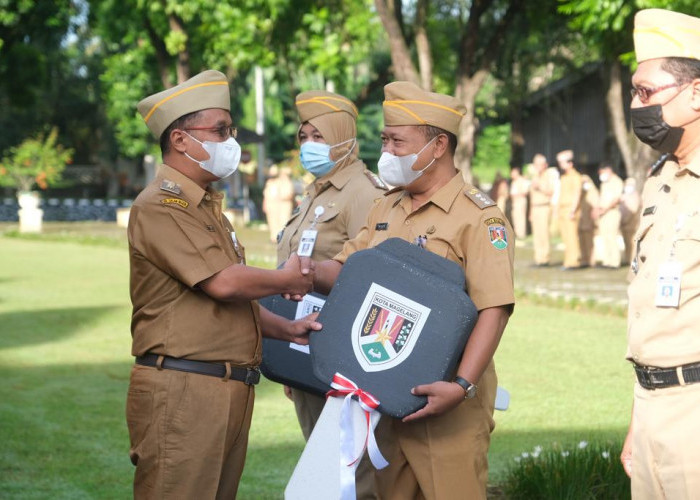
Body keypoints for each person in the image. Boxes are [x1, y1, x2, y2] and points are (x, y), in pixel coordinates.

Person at [300, 81, 515, 499]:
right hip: (381, 395)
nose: (387, 152)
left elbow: (495, 308)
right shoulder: (386, 206)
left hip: (447, 404)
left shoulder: (480, 218)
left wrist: (462, 386)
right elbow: (344, 269)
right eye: (384, 140)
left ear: (437, 147)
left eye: (397, 141)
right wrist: (303, 273)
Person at [126, 70, 321, 499]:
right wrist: (286, 278)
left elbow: (231, 302)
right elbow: (223, 284)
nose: (230, 141)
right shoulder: (162, 206)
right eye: (220, 130)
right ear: (180, 140)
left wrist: (287, 329)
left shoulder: (207, 207)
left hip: (226, 388)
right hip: (185, 390)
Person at [277, 89, 387, 499]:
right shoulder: (316, 191)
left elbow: (369, 277)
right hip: (305, 344)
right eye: (304, 136)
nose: (308, 145)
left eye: (319, 136)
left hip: (341, 353)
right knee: (323, 464)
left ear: (344, 138)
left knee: (351, 470)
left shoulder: (362, 191)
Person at [620, 9, 700, 498]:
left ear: (696, 93)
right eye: (634, 91)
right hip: (650, 401)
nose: (636, 105)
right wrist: (638, 418)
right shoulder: (660, 179)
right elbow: (652, 313)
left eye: (646, 92)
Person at [556, 149, 583, 269]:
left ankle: (574, 261)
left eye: (563, 162)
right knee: (566, 236)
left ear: (570, 163)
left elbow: (577, 195)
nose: (560, 165)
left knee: (572, 236)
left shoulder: (576, 176)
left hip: (570, 209)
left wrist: (573, 210)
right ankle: (568, 261)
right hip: (563, 209)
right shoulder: (564, 177)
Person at [594, 163, 624, 269]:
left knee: (612, 237)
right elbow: (601, 198)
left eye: (602, 173)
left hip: (612, 212)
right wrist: (598, 210)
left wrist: (605, 209)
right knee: (604, 237)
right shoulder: (604, 183)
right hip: (603, 214)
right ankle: (607, 261)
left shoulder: (617, 181)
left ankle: (615, 262)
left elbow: (617, 199)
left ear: (608, 170)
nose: (601, 175)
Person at [529, 154, 555, 266]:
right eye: (536, 164)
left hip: (544, 206)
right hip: (535, 207)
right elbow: (531, 195)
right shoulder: (534, 177)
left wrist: (540, 187)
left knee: (544, 233)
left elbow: (551, 192)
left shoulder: (549, 176)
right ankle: (538, 258)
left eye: (540, 164)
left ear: (545, 165)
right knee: (537, 234)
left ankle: (545, 258)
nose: (538, 167)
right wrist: (530, 211)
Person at [262, 165, 295, 243]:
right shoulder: (271, 182)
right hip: (273, 204)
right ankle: (274, 237)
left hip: (284, 204)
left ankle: (282, 237)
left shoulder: (287, 183)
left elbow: (290, 195)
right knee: (272, 221)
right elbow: (267, 195)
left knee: (283, 221)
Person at [578, 173, 600, 268]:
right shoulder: (580, 192)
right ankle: (584, 259)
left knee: (589, 242)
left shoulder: (593, 191)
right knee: (581, 241)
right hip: (581, 220)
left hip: (589, 220)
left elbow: (595, 205)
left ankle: (591, 260)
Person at [619, 177, 641, 266]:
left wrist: (626, 220)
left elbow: (634, 210)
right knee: (627, 243)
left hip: (632, 224)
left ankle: (633, 260)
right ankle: (628, 260)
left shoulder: (635, 195)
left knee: (633, 244)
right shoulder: (624, 196)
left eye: (630, 185)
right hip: (624, 224)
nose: (628, 187)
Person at [509, 166, 529, 240]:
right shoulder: (514, 181)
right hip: (515, 202)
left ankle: (521, 234)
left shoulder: (522, 180)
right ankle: (517, 233)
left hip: (520, 201)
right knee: (515, 217)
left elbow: (525, 192)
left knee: (520, 218)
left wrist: (516, 195)